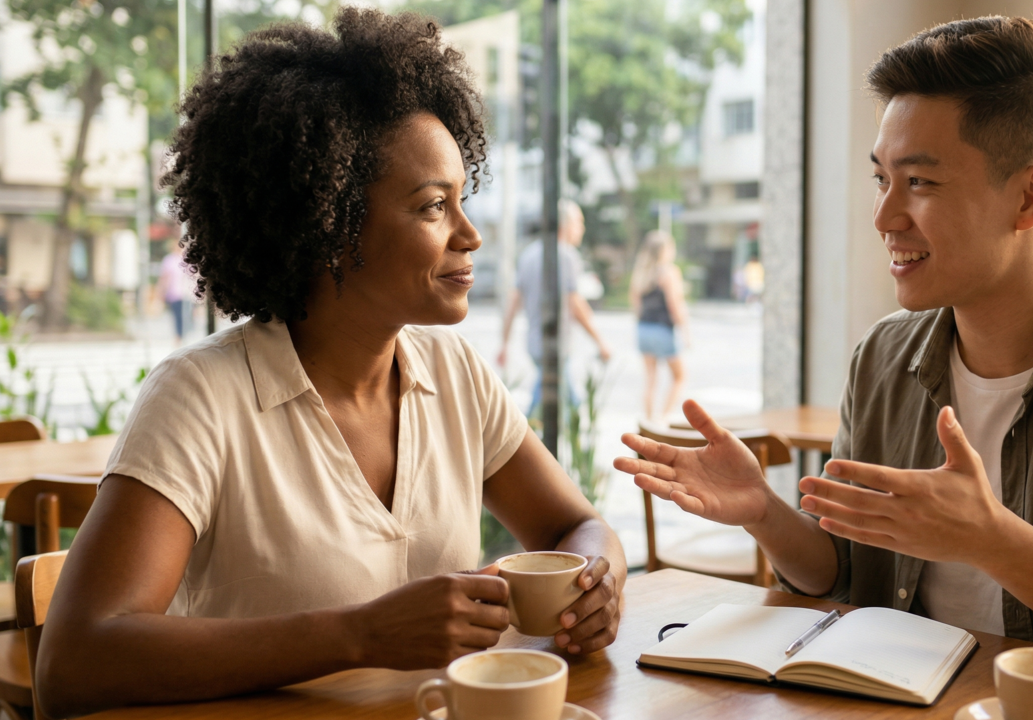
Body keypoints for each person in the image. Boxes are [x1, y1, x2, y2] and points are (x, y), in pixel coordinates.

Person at [615, 16, 1033, 681]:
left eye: (919, 183)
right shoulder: (884, 358)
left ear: (1031, 195)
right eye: (880, 179)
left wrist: (993, 540)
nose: (884, 216)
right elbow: (844, 576)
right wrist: (764, 512)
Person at [38, 10, 625, 717]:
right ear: (329, 224)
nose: (469, 234)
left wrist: (598, 581)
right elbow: (74, 661)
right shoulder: (203, 397)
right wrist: (360, 634)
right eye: (433, 206)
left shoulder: (456, 374)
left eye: (462, 201)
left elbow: (575, 529)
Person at [498, 199, 611, 415]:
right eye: (579, 222)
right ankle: (523, 441)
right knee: (559, 406)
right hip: (554, 343)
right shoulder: (566, 255)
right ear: (565, 224)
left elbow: (514, 301)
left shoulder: (528, 254)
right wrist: (600, 342)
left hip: (534, 342)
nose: (582, 228)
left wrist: (505, 342)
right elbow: (574, 302)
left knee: (561, 401)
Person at [629, 230, 689, 420]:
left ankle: (648, 422)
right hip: (662, 329)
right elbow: (674, 305)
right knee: (679, 377)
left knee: (650, 381)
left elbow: (635, 303)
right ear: (665, 250)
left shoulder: (641, 273)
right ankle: (663, 419)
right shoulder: (669, 272)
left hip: (644, 329)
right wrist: (685, 331)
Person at [153, 238, 195, 345]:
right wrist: (161, 291)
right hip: (174, 294)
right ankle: (179, 337)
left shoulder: (188, 259)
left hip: (187, 293)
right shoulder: (169, 260)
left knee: (187, 315)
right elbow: (165, 277)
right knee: (178, 316)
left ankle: (184, 334)